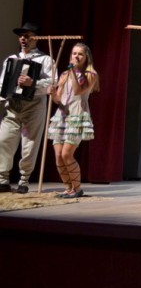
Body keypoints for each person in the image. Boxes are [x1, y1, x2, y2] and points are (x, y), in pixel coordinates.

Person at [0, 23, 54, 194]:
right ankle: (2, 179)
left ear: (36, 38)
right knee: (4, 140)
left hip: (34, 106)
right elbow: (3, 82)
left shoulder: (45, 60)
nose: (23, 38)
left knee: (29, 144)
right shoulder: (11, 59)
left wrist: (33, 83)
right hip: (13, 106)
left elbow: (52, 83)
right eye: (21, 36)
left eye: (27, 35)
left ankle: (24, 180)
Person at [47, 43, 99, 198]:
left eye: (80, 54)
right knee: (58, 156)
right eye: (74, 53)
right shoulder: (64, 74)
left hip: (77, 115)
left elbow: (77, 91)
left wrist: (74, 71)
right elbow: (59, 99)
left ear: (86, 57)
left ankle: (77, 189)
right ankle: (68, 188)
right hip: (62, 116)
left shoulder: (91, 74)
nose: (76, 56)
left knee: (66, 154)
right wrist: (52, 93)